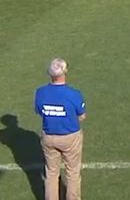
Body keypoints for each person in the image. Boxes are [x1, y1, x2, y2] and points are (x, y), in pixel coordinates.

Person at [34, 58, 86, 200]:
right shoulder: (74, 94)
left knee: (51, 173)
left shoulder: (40, 92)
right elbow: (82, 116)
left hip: (49, 136)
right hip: (70, 137)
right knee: (73, 173)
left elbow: (40, 111)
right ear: (65, 72)